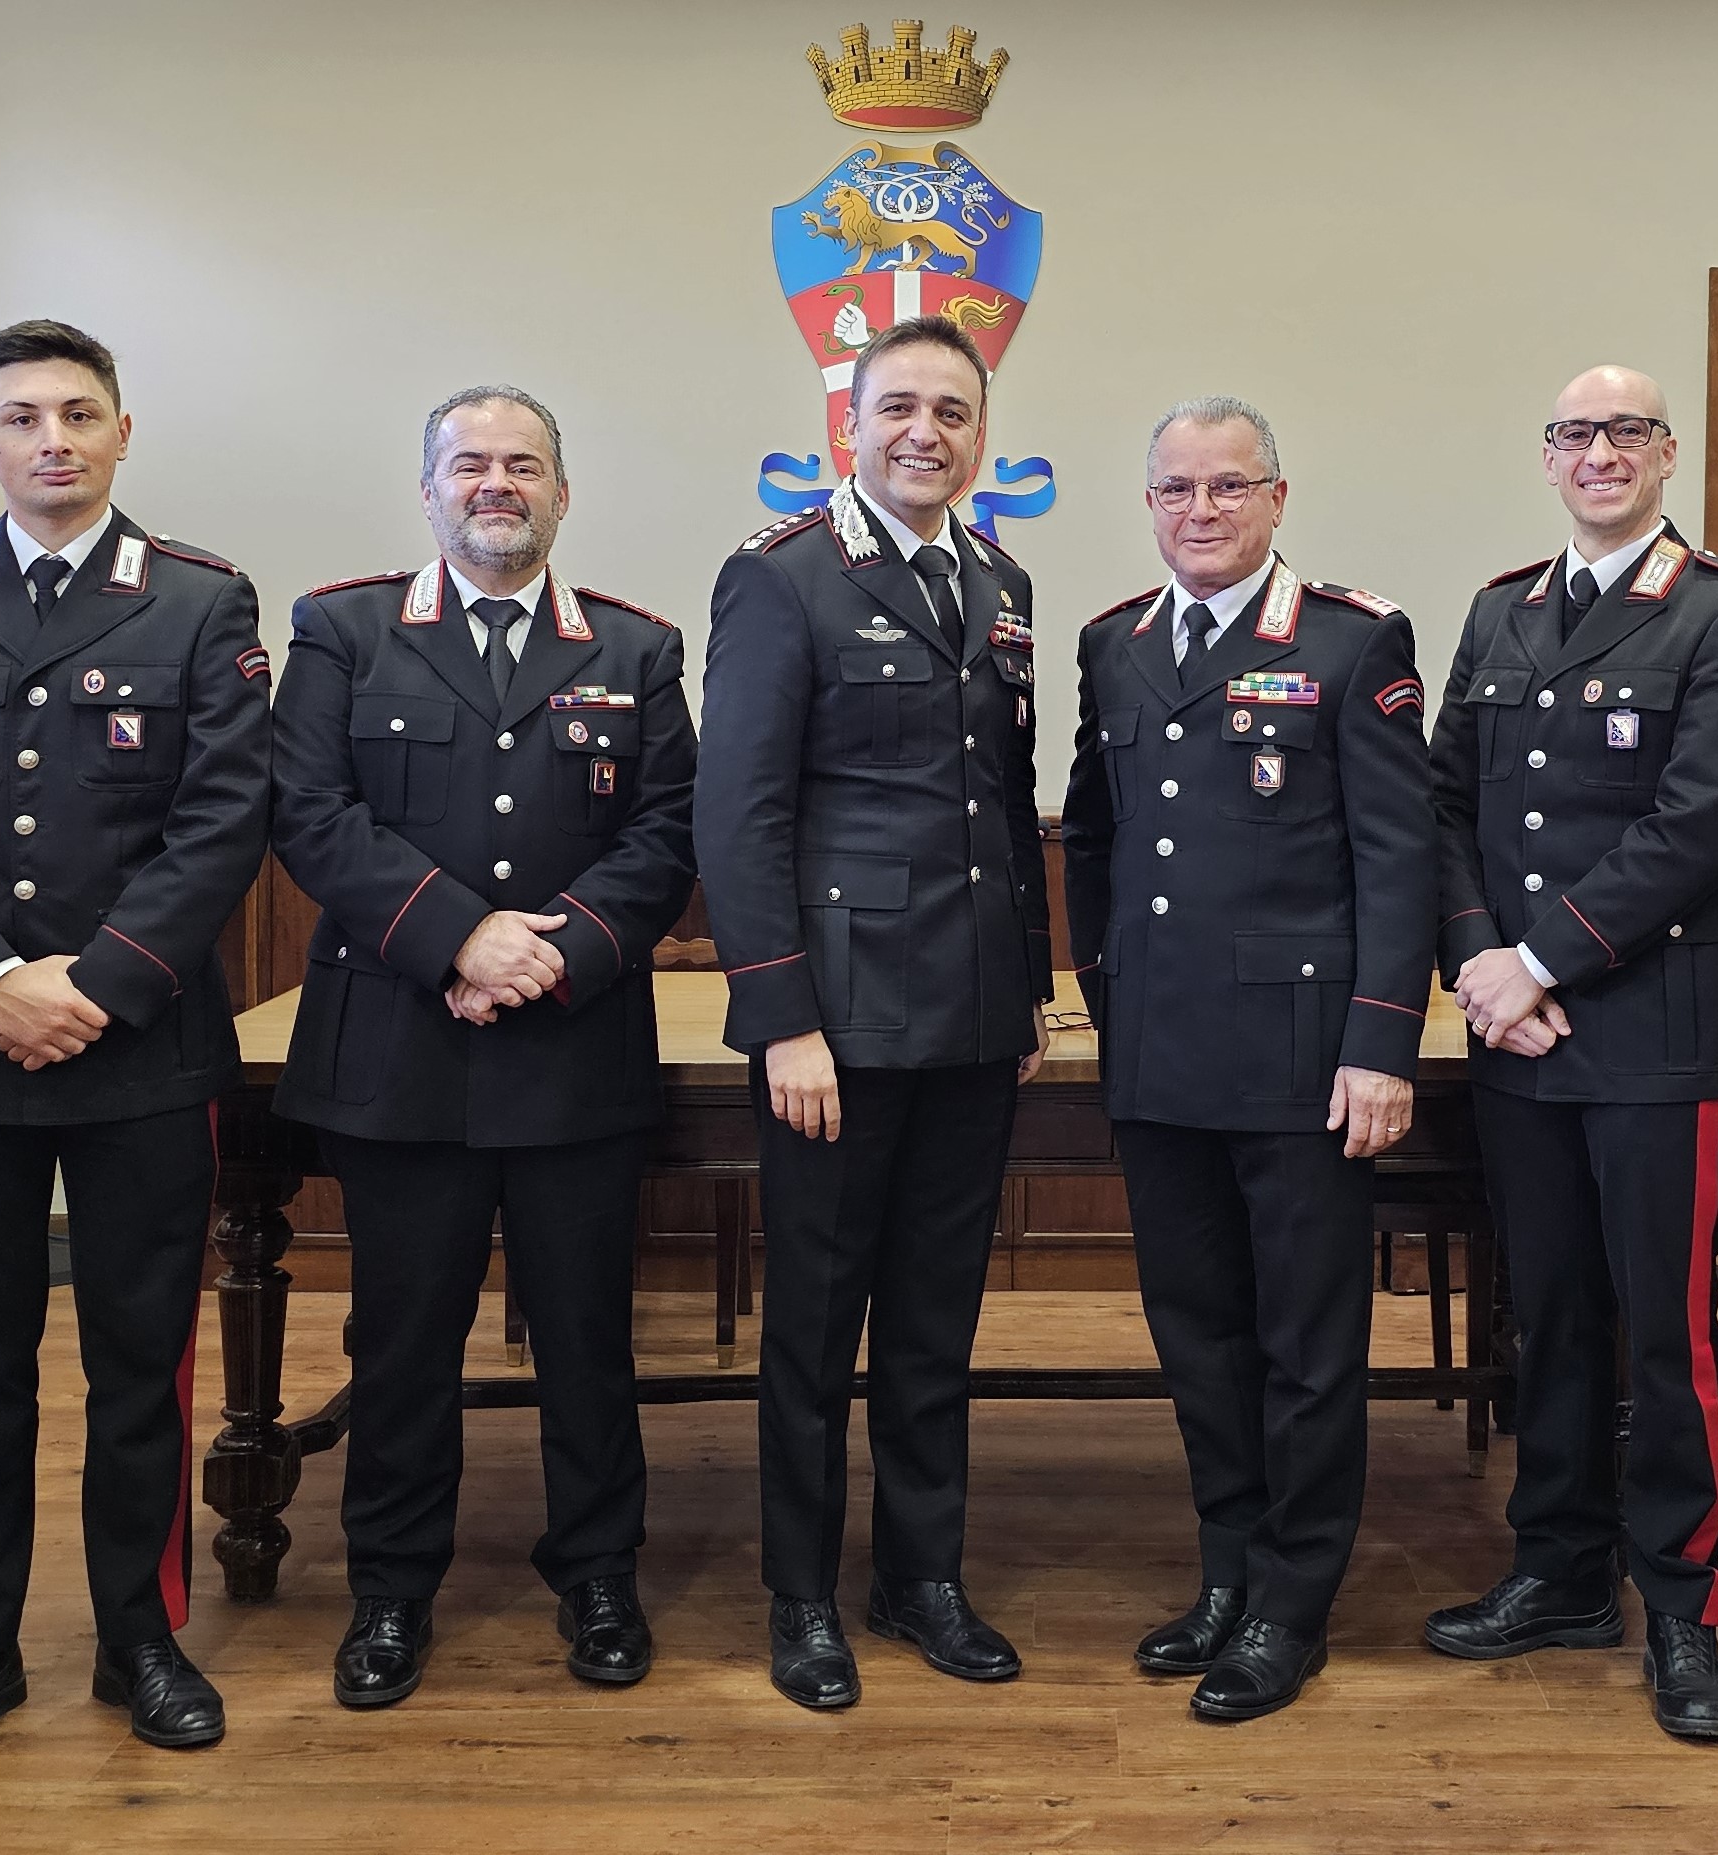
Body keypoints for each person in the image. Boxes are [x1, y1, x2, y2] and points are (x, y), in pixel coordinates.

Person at [0, 319, 270, 1777]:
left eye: (79, 415)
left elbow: (223, 820)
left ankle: (141, 1642)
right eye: (20, 419)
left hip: (139, 1043)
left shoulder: (200, 603)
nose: (52, 441)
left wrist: (99, 983)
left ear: (123, 433)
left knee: (141, 1362)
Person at [270, 386, 696, 1708]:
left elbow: (669, 834)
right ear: (430, 491)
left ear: (563, 494)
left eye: (523, 465)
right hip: (403, 1042)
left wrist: (554, 948)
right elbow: (308, 808)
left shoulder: (635, 649)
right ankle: (392, 1592)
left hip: (573, 1049)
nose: (495, 483)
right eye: (470, 465)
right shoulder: (343, 631)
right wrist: (457, 937)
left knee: (586, 1338)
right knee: (402, 1342)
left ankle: (600, 1574)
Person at [1422, 367, 1718, 1743]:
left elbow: (1700, 825)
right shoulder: (1502, 609)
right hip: (1519, 1030)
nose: (1599, 453)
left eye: (1624, 431)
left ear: (1666, 452)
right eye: (1575, 433)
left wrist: (1539, 960)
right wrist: (1480, 962)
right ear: (1547, 456)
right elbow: (1446, 800)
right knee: (1554, 1313)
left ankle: (1686, 1605)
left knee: (1664, 1327)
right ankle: (1560, 1570)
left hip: (1658, 1030)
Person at [1060, 396, 1435, 1721]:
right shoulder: (1115, 645)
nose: (1200, 513)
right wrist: (1110, 1003)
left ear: (1279, 500)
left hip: (1302, 1060)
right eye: (1175, 492)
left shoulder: (1350, 640)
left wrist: (1383, 1043)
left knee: (1307, 1349)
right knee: (1199, 1334)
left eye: (1229, 489)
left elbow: (1400, 855)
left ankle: (1292, 1603)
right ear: (1149, 506)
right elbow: (1095, 840)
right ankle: (1228, 1565)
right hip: (1161, 1055)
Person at [695, 315, 1051, 1711]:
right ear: (852, 423)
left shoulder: (1001, 575)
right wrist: (779, 1016)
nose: (926, 433)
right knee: (814, 1325)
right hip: (834, 1029)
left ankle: (922, 1574)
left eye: (953, 413)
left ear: (981, 436)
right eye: (898, 407)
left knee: (933, 1321)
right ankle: (802, 1595)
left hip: (968, 1015)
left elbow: (1004, 808)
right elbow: (742, 812)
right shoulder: (780, 579)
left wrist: (1025, 991)